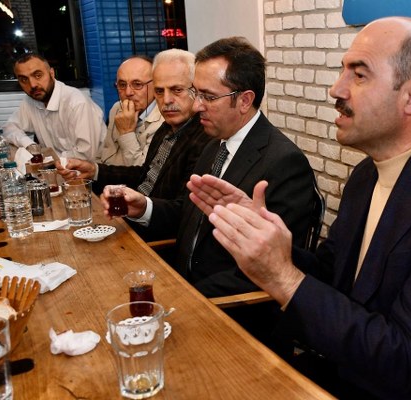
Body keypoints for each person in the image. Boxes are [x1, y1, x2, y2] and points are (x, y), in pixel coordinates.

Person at [187, 17, 411, 399]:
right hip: (357, 370)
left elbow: (405, 360)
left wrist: (283, 277)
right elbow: (333, 273)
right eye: (342, 71)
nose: (337, 89)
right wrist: (269, 242)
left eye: (359, 74)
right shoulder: (368, 173)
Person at [101, 37, 316, 299]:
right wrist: (143, 207)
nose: (197, 105)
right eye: (196, 93)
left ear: (244, 100)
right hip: (183, 283)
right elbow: (189, 214)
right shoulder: (215, 143)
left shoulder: (284, 164)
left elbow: (272, 269)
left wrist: (184, 297)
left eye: (208, 97)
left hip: (228, 306)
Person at [58, 49, 210, 209]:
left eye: (177, 90)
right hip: (125, 201)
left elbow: (183, 209)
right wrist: (94, 170)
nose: (166, 100)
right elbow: (145, 173)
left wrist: (142, 209)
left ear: (197, 90)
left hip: (148, 215)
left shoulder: (203, 137)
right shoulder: (167, 126)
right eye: (159, 91)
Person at [3, 53, 106, 161]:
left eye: (38, 75)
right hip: (56, 166)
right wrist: (29, 145)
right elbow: (9, 127)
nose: (32, 85)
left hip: (93, 168)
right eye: (24, 80)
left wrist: (48, 159)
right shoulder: (31, 101)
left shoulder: (77, 103)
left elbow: (86, 155)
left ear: (51, 73)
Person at [98, 55, 163, 166]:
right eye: (122, 85)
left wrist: (126, 133)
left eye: (137, 84)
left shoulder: (165, 120)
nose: (128, 92)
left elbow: (145, 172)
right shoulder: (117, 108)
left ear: (156, 85)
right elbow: (103, 154)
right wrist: (93, 169)